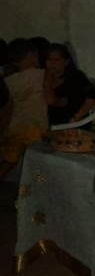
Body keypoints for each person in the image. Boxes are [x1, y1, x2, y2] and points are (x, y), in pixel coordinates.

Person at [0, 39, 47, 180]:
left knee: (9, 161)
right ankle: (38, 187)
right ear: (34, 55)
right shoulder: (42, 75)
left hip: (15, 127)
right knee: (39, 163)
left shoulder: (8, 81)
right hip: (35, 126)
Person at [44, 43, 95, 125]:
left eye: (56, 60)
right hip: (48, 126)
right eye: (49, 60)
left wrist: (76, 117)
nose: (52, 63)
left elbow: (92, 97)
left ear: (66, 62)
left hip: (72, 126)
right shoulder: (41, 76)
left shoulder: (76, 77)